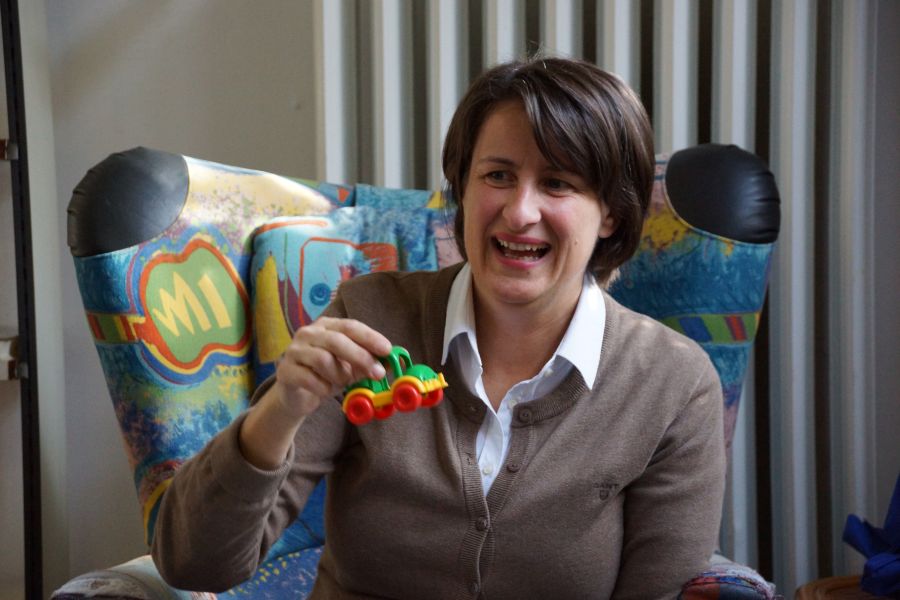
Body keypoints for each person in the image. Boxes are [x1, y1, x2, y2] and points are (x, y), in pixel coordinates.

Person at [151, 56, 725, 599]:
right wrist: (282, 408)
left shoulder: (674, 384)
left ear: (611, 214)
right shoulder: (368, 318)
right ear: (463, 190)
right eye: (498, 175)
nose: (520, 212)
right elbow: (194, 563)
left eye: (557, 183)